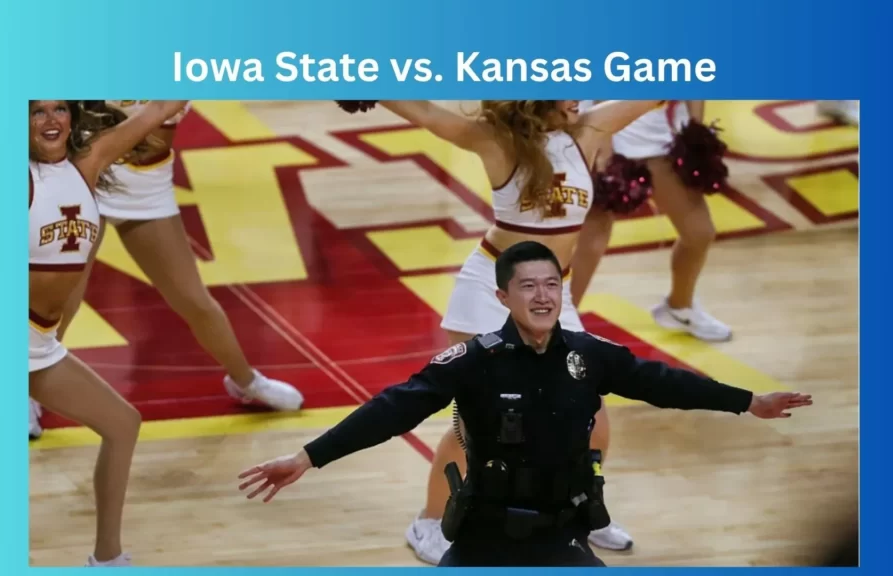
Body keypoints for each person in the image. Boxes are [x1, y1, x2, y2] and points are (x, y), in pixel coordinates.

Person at [237, 241, 813, 567]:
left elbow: (664, 383)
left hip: (563, 532)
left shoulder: (590, 355)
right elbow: (393, 409)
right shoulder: (473, 361)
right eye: (529, 286)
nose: (543, 296)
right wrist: (308, 457)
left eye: (552, 285)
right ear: (502, 296)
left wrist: (748, 401)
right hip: (485, 536)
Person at [338, 99, 665, 562]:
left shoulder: (588, 130)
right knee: (480, 423)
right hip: (491, 290)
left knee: (590, 416)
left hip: (552, 294)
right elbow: (428, 115)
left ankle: (578, 512)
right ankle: (430, 520)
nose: (579, 95)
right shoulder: (498, 142)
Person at [29, 100, 304, 440]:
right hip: (83, 179)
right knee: (62, 303)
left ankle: (245, 381)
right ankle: (26, 391)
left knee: (194, 300)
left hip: (147, 189)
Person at [29, 99, 189, 566]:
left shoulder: (88, 164)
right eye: (37, 112)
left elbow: (160, 108)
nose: (51, 120)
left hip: (39, 343)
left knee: (122, 424)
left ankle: (107, 560)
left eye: (59, 110)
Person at [571, 100, 732, 342]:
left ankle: (680, 307)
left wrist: (696, 131)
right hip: (603, 134)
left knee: (699, 232)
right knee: (591, 243)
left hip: (659, 141)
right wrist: (602, 140)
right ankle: (558, 325)